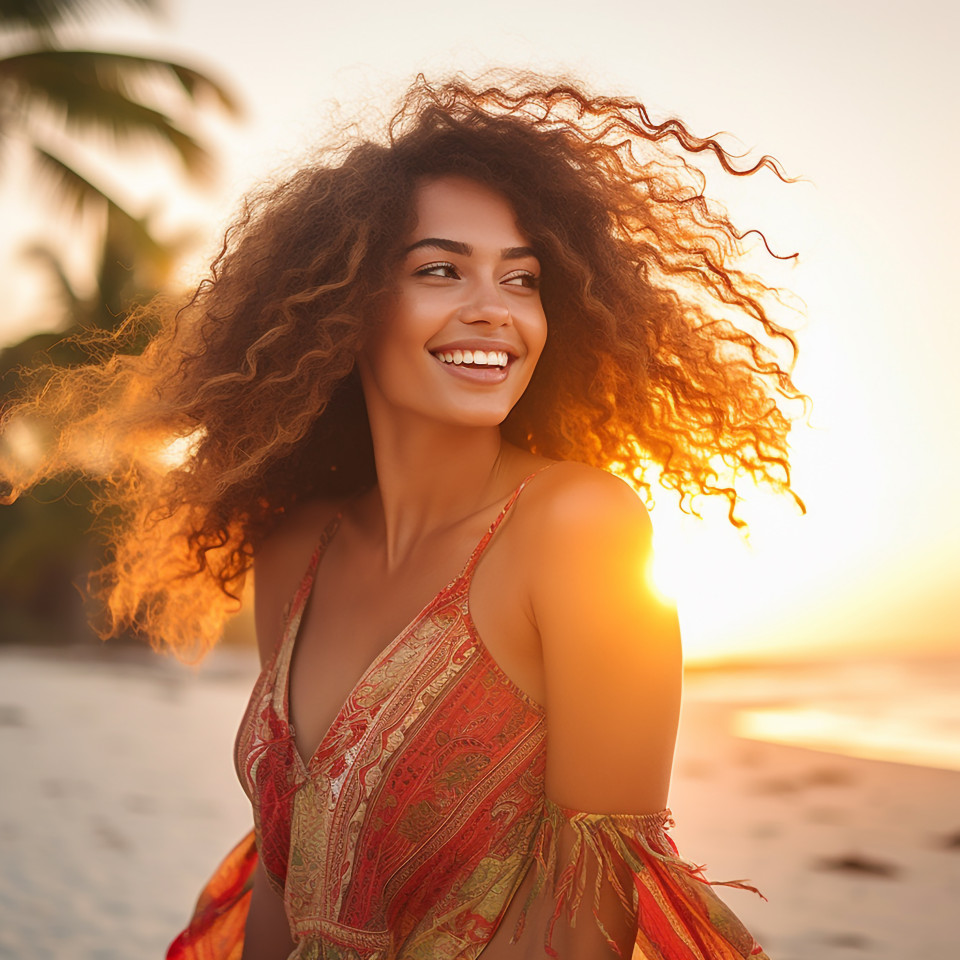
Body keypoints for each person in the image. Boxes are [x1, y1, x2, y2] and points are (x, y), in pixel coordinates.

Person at [0, 74, 805, 958]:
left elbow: (587, 915)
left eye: (522, 277)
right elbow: (282, 878)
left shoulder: (578, 529)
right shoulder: (299, 547)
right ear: (347, 305)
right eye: (440, 269)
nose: (494, 308)